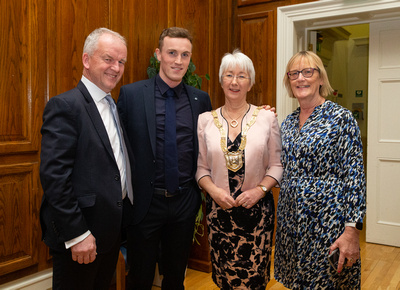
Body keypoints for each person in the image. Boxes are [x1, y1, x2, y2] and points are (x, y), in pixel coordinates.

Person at [117, 27, 212, 289]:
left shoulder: (200, 100)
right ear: (158, 54)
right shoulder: (132, 95)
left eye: (185, 55)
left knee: (175, 279)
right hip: (145, 205)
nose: (178, 61)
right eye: (172, 53)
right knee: (140, 278)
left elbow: (215, 141)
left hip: (184, 203)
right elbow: (115, 147)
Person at [39, 28, 134, 290]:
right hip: (81, 236)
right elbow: (54, 177)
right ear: (86, 60)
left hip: (109, 233)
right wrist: (78, 235)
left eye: (121, 62)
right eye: (108, 59)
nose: (116, 67)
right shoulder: (66, 106)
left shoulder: (112, 105)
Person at [274, 50, 366, 289]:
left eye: (308, 72)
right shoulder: (288, 123)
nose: (300, 78)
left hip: (327, 224)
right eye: (294, 74)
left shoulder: (341, 118)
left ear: (321, 79)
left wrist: (351, 232)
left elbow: (354, 178)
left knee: (328, 283)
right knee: (297, 283)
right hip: (291, 223)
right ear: (289, 81)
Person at [196, 49, 283, 289]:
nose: (235, 81)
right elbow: (200, 168)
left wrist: (260, 190)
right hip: (219, 213)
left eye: (242, 76)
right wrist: (213, 191)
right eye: (229, 75)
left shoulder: (267, 118)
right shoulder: (205, 120)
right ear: (221, 79)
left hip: (257, 214)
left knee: (254, 279)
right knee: (224, 278)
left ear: (251, 82)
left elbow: (277, 165)